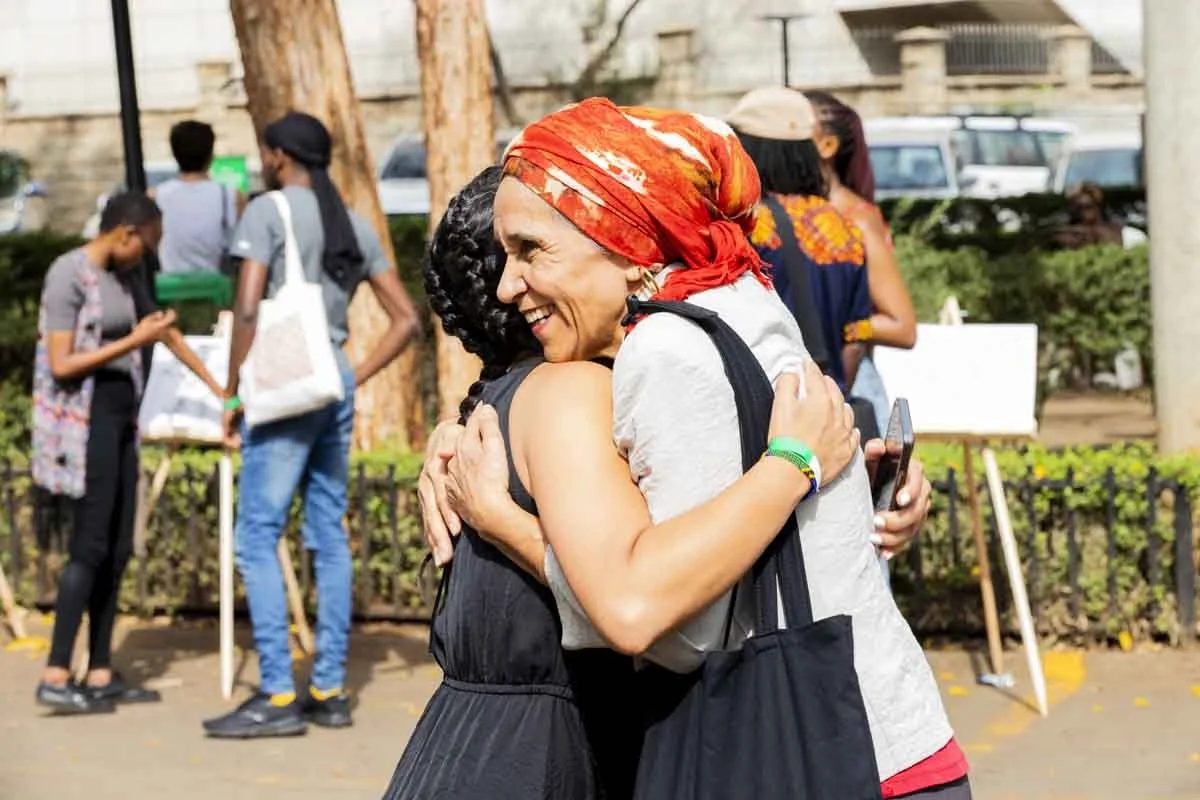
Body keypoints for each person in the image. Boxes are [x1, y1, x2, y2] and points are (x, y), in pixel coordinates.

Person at [423, 98, 970, 798]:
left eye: (532, 250)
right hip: (887, 738)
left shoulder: (666, 348)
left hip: (824, 761)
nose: (508, 284)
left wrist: (507, 524)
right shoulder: (740, 296)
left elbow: (667, 629)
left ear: (618, 236)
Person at [387, 166, 861, 799]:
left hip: (473, 751)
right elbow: (634, 606)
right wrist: (795, 463)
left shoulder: (507, 405)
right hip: (545, 761)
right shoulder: (571, 394)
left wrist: (867, 484)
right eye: (518, 251)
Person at [202, 112, 418, 739]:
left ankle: (275, 695)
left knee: (256, 536)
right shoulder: (349, 221)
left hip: (283, 385)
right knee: (326, 530)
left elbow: (246, 307)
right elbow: (404, 318)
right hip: (332, 380)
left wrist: (232, 393)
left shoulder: (267, 212)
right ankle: (328, 688)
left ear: (276, 156)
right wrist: (353, 375)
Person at [33, 192, 226, 714]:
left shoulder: (125, 277)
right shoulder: (67, 275)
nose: (149, 256)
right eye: (148, 244)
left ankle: (98, 671)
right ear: (124, 232)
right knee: (89, 545)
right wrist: (131, 342)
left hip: (123, 420)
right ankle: (55, 671)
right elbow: (61, 363)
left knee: (118, 547)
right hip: (86, 420)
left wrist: (221, 392)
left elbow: (165, 335)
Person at [729, 88, 875, 418]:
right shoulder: (846, 228)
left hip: (762, 415)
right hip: (827, 412)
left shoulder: (746, 225)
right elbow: (855, 340)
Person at [806, 90, 918, 437]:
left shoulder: (856, 218)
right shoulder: (798, 214)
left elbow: (902, 325)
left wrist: (843, 322)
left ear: (827, 146)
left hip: (850, 384)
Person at [154, 120, 244, 274]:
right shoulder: (231, 196)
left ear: (175, 154)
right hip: (217, 290)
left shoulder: (157, 196)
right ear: (211, 154)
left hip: (171, 290)